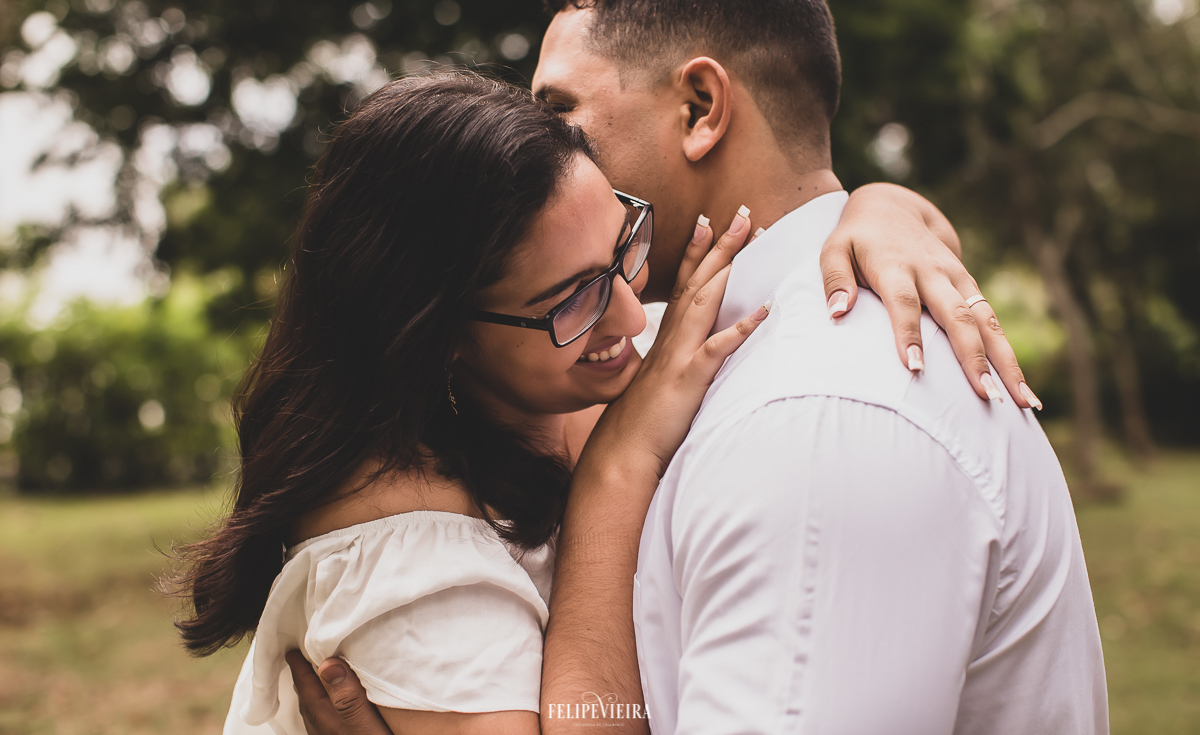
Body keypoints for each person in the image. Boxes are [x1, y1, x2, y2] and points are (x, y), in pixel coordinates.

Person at [293, 0, 1107, 734]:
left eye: (562, 115)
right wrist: (882, 202)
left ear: (699, 110)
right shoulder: (674, 353)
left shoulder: (812, 423)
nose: (539, 157)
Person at [180, 70, 1007, 734]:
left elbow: (882, 225)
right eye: (572, 297)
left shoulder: (559, 367)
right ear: (437, 336)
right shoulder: (408, 547)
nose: (627, 313)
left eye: (625, 245)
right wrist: (618, 468)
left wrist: (876, 209)